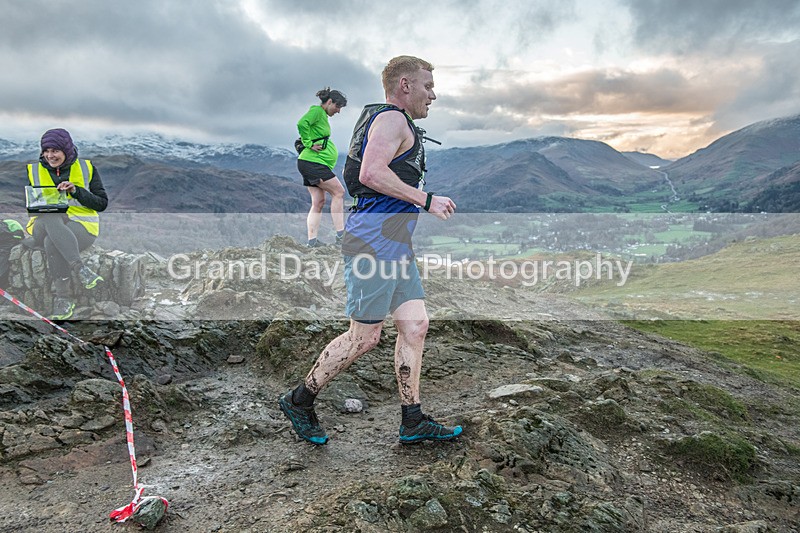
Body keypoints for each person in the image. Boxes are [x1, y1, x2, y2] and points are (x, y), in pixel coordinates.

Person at [279, 56, 461, 445]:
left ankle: (412, 419)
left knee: (415, 325)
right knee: (364, 337)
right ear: (405, 85)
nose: (433, 95)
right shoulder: (392, 119)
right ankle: (299, 400)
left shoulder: (391, 120)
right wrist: (426, 200)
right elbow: (371, 173)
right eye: (428, 86)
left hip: (394, 243)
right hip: (373, 243)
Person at [26, 128, 108, 320]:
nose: (50, 156)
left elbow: (102, 203)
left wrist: (77, 192)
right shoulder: (34, 170)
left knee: (51, 242)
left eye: (55, 151)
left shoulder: (86, 168)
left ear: (66, 150)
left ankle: (63, 299)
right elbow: (31, 204)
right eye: (46, 151)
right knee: (50, 216)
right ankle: (80, 269)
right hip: (41, 225)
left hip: (80, 226)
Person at [296, 87, 347, 247]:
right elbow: (301, 123)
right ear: (330, 102)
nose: (338, 111)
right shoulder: (317, 111)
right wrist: (308, 143)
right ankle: (341, 236)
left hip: (311, 163)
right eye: (337, 106)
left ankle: (312, 242)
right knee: (339, 192)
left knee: (318, 202)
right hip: (313, 163)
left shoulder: (321, 115)